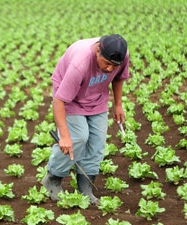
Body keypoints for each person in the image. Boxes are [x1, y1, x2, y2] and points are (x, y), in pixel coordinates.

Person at [43, 34, 130, 205]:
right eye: (107, 63)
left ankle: (86, 187)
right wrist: (65, 136)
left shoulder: (122, 55)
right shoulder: (80, 64)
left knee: (97, 143)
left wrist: (118, 104)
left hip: (96, 97)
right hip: (70, 98)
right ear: (97, 50)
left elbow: (119, 78)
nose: (110, 69)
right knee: (77, 138)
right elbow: (59, 101)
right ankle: (52, 179)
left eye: (114, 65)